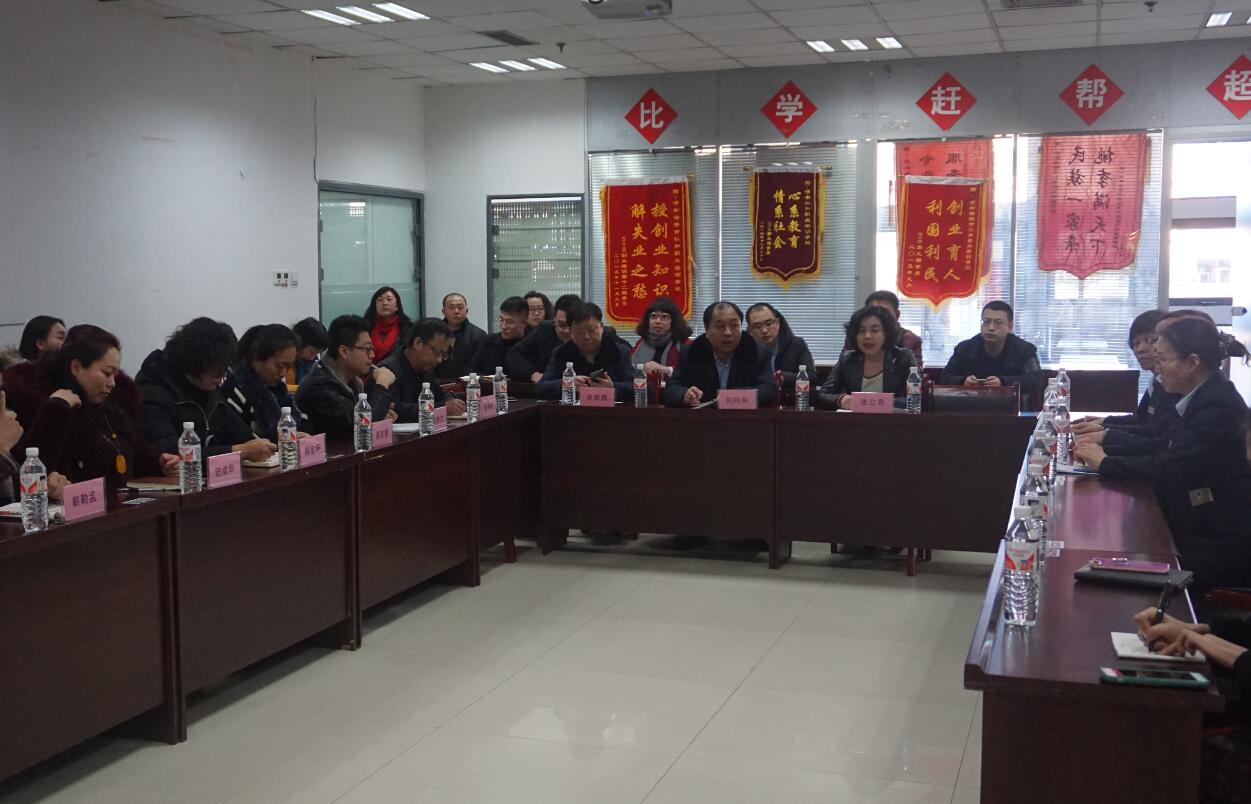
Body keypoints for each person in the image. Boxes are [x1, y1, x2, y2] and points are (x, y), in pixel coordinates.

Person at [1074, 318, 1251, 597]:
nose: (1158, 368)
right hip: (1195, 522)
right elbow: (1161, 441)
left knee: (1121, 568)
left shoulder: (1217, 407)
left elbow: (1168, 467)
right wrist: (1104, 445)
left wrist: (1105, 462)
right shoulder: (1200, 395)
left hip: (1215, 540)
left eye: (1163, 360)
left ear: (1192, 363)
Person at [16, 325, 178, 491]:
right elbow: (32, 466)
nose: (112, 383)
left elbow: (134, 451)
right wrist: (56, 409)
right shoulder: (45, 405)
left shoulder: (114, 406)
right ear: (76, 367)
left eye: (115, 375)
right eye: (106, 373)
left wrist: (158, 462)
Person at [135, 318, 275, 462]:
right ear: (195, 361)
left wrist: (264, 445)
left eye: (225, 368)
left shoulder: (209, 388)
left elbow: (242, 435)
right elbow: (171, 456)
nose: (222, 376)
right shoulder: (152, 393)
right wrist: (238, 451)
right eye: (217, 369)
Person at [1073, 309, 1173, 437]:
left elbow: (1154, 434)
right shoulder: (1155, 381)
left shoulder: (1174, 386)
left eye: (1150, 340)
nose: (1140, 349)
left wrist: (1104, 432)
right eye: (1135, 343)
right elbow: (1140, 419)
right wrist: (1104, 422)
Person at [295, 314, 397, 437]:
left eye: (372, 348)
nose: (372, 355)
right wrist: (382, 385)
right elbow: (362, 424)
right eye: (367, 349)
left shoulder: (353, 381)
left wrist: (381, 413)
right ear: (344, 351)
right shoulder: (319, 384)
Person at [663, 301, 775, 407]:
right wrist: (684, 395)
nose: (728, 332)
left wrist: (736, 396)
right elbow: (671, 388)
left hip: (744, 417)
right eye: (720, 326)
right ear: (707, 330)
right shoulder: (691, 351)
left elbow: (768, 389)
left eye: (734, 325)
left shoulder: (758, 352)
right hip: (703, 417)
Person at [212, 324, 302, 445]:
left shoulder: (279, 389)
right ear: (256, 358)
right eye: (279, 366)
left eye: (289, 366)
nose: (283, 373)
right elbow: (240, 441)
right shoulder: (235, 391)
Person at [817, 305, 917, 410]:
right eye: (861, 331)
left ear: (887, 334)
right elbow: (822, 395)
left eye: (875, 330)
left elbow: (916, 399)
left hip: (893, 420)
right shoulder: (848, 359)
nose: (867, 336)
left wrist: (881, 402)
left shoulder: (903, 358)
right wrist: (841, 400)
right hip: (854, 419)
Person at [939, 301, 1043, 397]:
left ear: (1010, 327)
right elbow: (945, 377)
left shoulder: (1025, 350)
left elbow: (1036, 380)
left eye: (998, 323)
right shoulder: (965, 348)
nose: (991, 328)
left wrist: (1003, 382)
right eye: (986, 322)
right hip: (972, 404)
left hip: (1011, 406)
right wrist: (963, 381)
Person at [536, 302, 633, 401]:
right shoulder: (561, 352)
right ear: (571, 332)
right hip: (573, 409)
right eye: (579, 332)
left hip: (612, 409)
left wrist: (613, 387)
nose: (586, 337)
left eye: (591, 330)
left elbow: (634, 387)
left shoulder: (619, 351)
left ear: (602, 327)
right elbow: (541, 389)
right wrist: (567, 383)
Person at [374, 318, 466, 419]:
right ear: (418, 343)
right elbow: (396, 409)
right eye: (437, 352)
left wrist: (451, 401)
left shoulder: (426, 369)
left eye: (443, 355)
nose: (439, 360)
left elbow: (440, 392)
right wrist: (443, 407)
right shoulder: (387, 371)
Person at [507, 293, 580, 382]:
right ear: (554, 319)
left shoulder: (589, 335)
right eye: (562, 325)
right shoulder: (545, 330)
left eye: (572, 325)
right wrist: (533, 374)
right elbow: (514, 354)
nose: (567, 331)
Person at [746, 302, 814, 392]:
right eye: (758, 327)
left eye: (769, 324)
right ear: (750, 331)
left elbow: (811, 377)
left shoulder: (797, 345)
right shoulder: (744, 350)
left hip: (788, 398)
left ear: (777, 323)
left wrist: (781, 377)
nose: (764, 330)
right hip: (757, 398)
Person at [846, 291, 924, 368]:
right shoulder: (857, 337)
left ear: (897, 314)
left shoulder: (910, 340)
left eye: (885, 312)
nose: (879, 316)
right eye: (873, 311)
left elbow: (914, 372)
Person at [630, 296, 692, 378]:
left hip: (673, 385)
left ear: (673, 321)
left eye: (664, 317)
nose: (658, 321)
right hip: (642, 385)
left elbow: (692, 371)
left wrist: (665, 369)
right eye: (653, 316)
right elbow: (628, 369)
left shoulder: (685, 344)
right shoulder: (641, 342)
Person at [470, 296, 529, 377]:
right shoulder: (488, 342)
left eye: (509, 322)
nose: (503, 326)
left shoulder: (532, 345)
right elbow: (473, 369)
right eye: (501, 320)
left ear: (524, 323)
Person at [435, 293, 485, 382]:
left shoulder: (478, 335)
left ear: (466, 311)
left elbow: (481, 366)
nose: (456, 311)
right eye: (451, 308)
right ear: (444, 312)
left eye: (460, 307)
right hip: (438, 383)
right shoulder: (434, 334)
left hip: (467, 384)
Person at [362, 286, 413, 363]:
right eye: (380, 300)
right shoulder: (365, 326)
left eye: (389, 299)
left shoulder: (407, 328)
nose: (384, 303)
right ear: (375, 306)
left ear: (397, 306)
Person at [291, 317, 328, 385]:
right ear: (299, 342)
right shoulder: (286, 363)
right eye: (311, 352)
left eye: (317, 353)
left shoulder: (315, 367)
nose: (312, 358)